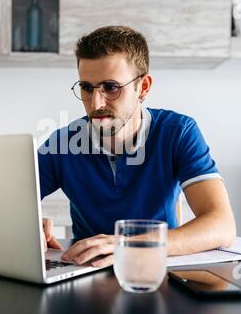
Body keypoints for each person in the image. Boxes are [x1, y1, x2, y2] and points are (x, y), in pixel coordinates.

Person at [38, 26, 236, 268]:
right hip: (84, 272)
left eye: (111, 87)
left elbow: (222, 225)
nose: (95, 103)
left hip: (158, 272)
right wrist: (29, 224)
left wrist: (127, 246)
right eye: (87, 88)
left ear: (142, 88)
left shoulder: (178, 132)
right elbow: (3, 205)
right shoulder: (62, 142)